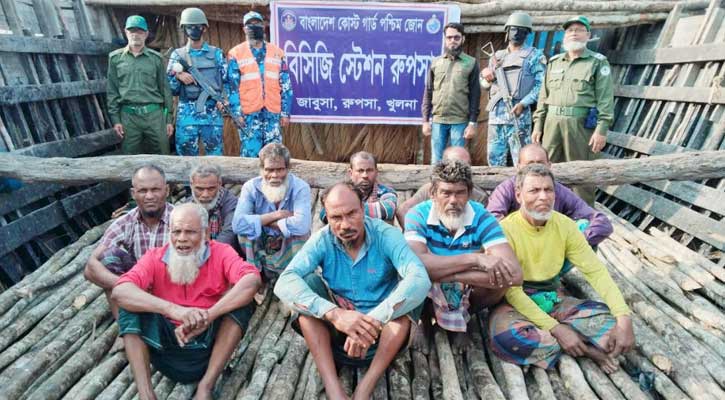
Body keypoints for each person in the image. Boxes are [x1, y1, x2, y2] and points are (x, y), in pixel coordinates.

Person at [274, 182, 430, 400]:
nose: (345, 224)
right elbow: (284, 282)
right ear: (326, 216)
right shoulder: (322, 239)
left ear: (363, 208)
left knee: (411, 293)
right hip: (339, 338)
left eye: (351, 214)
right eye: (336, 218)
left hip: (383, 337)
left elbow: (420, 278)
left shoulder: (386, 235)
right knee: (306, 286)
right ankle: (333, 388)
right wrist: (335, 314)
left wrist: (371, 321)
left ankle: (365, 388)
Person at [489, 164, 634, 372]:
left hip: (553, 298)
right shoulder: (504, 230)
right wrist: (557, 329)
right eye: (534, 190)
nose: (543, 197)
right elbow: (512, 292)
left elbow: (595, 271)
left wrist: (623, 316)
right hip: (515, 305)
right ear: (518, 195)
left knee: (611, 327)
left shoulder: (566, 226)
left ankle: (564, 340)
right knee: (507, 339)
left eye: (548, 190)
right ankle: (587, 349)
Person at [112, 203, 261, 400]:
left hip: (208, 348)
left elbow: (252, 280)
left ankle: (206, 386)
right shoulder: (154, 257)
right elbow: (120, 291)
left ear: (206, 233)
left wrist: (209, 316)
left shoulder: (222, 252)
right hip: (164, 347)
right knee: (129, 307)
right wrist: (174, 310)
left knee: (243, 304)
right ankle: (146, 394)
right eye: (177, 232)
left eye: (190, 232)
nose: (182, 239)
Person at [405, 159, 522, 335]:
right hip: (428, 288)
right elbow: (416, 263)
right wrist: (475, 258)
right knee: (412, 275)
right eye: (446, 193)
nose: (453, 200)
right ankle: (424, 323)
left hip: (461, 287)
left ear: (469, 194)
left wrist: (451, 275)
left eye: (460, 193)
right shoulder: (417, 214)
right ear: (433, 194)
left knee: (501, 284)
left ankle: (465, 318)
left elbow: (515, 275)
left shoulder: (482, 217)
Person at [532, 16, 614, 205]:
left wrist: (601, 130)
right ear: (564, 36)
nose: (574, 33)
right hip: (552, 125)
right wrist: (538, 126)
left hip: (580, 128)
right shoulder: (554, 62)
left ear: (588, 35)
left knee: (582, 174)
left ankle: (584, 222)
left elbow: (605, 99)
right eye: (569, 30)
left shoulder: (597, 62)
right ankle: (549, 213)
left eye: (579, 29)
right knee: (548, 171)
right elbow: (543, 98)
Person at [84, 165, 173, 318]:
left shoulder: (182, 219)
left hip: (174, 288)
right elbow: (90, 270)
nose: (149, 196)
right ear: (133, 194)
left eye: (155, 189)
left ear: (167, 190)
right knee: (108, 257)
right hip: (138, 288)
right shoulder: (124, 223)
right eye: (143, 191)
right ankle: (126, 328)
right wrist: (126, 285)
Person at [486, 144, 612, 249]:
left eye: (540, 163)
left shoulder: (559, 191)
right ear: (518, 167)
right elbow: (491, 220)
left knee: (584, 226)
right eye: (529, 164)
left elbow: (601, 221)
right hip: (517, 251)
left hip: (551, 252)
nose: (535, 168)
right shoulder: (506, 189)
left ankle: (555, 277)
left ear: (549, 166)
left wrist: (574, 242)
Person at [232, 143, 311, 279]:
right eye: (269, 170)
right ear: (261, 169)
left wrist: (259, 220)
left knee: (300, 235)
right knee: (244, 234)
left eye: (280, 169)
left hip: (287, 243)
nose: (274, 175)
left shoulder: (300, 187)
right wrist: (277, 215)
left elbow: (302, 225)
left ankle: (294, 277)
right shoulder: (250, 187)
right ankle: (258, 277)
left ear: (288, 168)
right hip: (262, 240)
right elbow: (237, 224)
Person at [479, 12, 546, 166]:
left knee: (523, 162)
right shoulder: (496, 56)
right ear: (507, 31)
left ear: (527, 33)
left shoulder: (534, 56)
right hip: (496, 118)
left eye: (521, 30)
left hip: (519, 117)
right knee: (494, 161)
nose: (516, 33)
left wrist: (523, 103)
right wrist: (485, 77)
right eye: (513, 29)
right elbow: (485, 86)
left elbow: (541, 86)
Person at [167, 8, 234, 156]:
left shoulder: (216, 53)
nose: (193, 30)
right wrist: (177, 76)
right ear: (184, 29)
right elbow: (170, 88)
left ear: (204, 28)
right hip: (187, 116)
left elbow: (227, 81)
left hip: (212, 115)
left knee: (215, 159)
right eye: (189, 27)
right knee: (186, 160)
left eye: (197, 26)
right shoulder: (178, 55)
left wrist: (223, 99)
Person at [228, 11, 293, 158]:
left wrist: (285, 112)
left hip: (272, 113)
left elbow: (286, 86)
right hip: (249, 115)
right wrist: (237, 114)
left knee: (275, 155)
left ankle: (273, 181)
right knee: (250, 154)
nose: (254, 26)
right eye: (250, 24)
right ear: (244, 28)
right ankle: (249, 182)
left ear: (263, 27)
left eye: (257, 23)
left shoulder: (278, 53)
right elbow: (232, 88)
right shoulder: (236, 53)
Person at [107, 15, 173, 155]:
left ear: (146, 34)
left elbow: (165, 90)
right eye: (132, 31)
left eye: (139, 31)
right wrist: (116, 120)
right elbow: (112, 91)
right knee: (130, 158)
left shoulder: (156, 59)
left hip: (154, 116)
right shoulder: (115, 59)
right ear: (125, 32)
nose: (135, 35)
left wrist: (168, 120)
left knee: (163, 154)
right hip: (128, 117)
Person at [422, 22, 481, 164]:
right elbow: (428, 92)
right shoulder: (435, 63)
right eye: (449, 38)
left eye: (456, 37)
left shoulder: (471, 63)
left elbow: (475, 95)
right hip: (438, 121)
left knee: (457, 161)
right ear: (445, 39)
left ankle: (457, 187)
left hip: (459, 121)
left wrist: (472, 123)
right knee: (436, 161)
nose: (452, 41)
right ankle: (436, 186)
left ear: (463, 39)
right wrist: (425, 120)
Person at [395, 146, 488, 227]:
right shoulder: (430, 189)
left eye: (465, 165)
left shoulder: (478, 196)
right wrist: (413, 233)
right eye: (455, 164)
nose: (459, 170)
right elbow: (404, 210)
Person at [320, 151, 397, 224]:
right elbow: (324, 214)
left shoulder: (386, 191)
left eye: (369, 170)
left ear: (376, 172)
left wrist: (345, 209)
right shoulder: (341, 193)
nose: (365, 175)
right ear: (351, 173)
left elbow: (389, 209)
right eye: (360, 171)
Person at [186, 164, 240, 254]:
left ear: (219, 184)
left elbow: (229, 234)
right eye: (200, 189)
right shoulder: (187, 205)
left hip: (224, 255)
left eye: (211, 189)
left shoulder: (232, 203)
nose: (205, 195)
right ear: (191, 185)